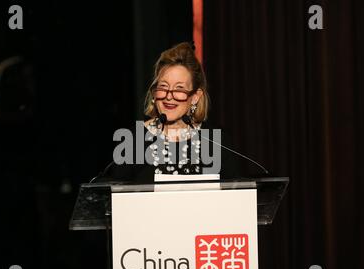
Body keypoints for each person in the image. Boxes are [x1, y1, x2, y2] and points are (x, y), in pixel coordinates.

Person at [98, 42, 268, 183]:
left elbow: (235, 199)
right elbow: (113, 201)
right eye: (163, 87)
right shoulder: (133, 140)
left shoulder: (216, 141)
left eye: (179, 89)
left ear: (195, 97)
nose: (169, 97)